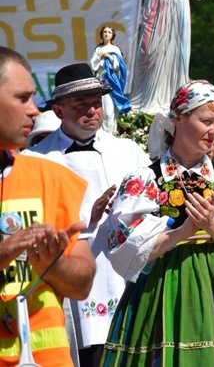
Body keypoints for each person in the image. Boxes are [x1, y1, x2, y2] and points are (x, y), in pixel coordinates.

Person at [101, 80, 214, 366]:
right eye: (207, 121)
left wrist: (213, 226)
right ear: (179, 119)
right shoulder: (145, 178)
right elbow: (123, 244)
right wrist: (182, 231)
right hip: (162, 284)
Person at [23, 63, 150, 366]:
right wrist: (87, 219)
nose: (93, 111)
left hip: (123, 271)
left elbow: (151, 203)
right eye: (82, 105)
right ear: (58, 111)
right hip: (69, 274)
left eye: (96, 103)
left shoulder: (129, 151)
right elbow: (32, 224)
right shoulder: (34, 161)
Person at [0, 47, 96, 366]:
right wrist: (6, 251)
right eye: (22, 98)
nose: (35, 109)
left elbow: (82, 284)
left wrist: (53, 264)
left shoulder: (52, 177)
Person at [89, 26, 130, 133]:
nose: (106, 34)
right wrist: (100, 57)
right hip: (101, 82)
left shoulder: (115, 49)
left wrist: (109, 56)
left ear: (112, 35)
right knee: (102, 110)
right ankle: (103, 133)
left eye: (109, 32)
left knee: (110, 112)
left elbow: (117, 66)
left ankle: (111, 133)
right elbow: (93, 65)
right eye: (104, 32)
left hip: (112, 83)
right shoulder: (98, 49)